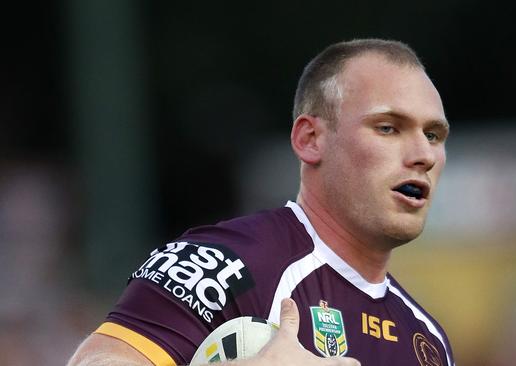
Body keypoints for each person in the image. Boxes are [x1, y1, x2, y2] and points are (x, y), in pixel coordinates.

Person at [68, 38, 454, 366]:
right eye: (388, 127)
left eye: (434, 135)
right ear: (309, 139)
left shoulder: (428, 339)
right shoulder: (220, 265)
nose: (423, 154)